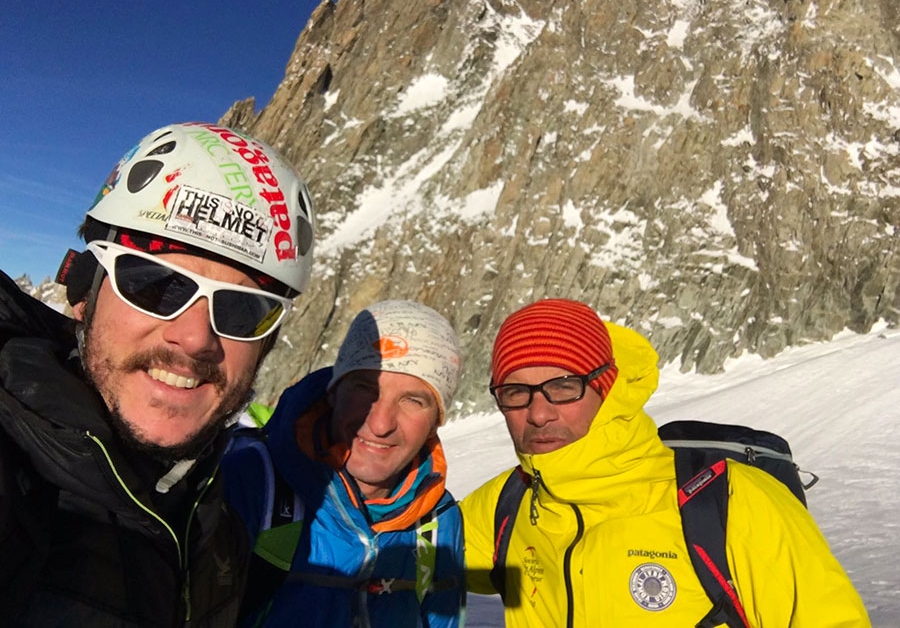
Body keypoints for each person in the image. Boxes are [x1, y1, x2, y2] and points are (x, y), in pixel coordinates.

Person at [0, 121, 316, 626]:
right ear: (86, 292)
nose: (195, 338)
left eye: (241, 310)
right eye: (153, 284)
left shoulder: (214, 522)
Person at [460, 298, 870, 627]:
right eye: (516, 391)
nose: (539, 413)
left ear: (606, 388)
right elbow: (408, 550)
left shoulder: (730, 500)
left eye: (564, 386)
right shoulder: (508, 504)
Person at [223, 299, 466, 627]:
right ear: (334, 392)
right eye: (365, 389)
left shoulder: (437, 522)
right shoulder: (250, 483)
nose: (380, 423)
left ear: (436, 421)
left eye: (412, 400)